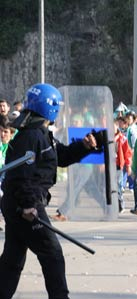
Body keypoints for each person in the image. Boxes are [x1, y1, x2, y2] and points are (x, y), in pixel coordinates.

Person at [0, 83, 99, 299]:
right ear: (50, 107)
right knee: (52, 254)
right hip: (24, 205)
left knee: (12, 261)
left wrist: (83, 146)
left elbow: (59, 156)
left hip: (18, 204)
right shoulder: (32, 135)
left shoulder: (40, 132)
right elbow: (21, 174)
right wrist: (27, 205)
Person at [114, 118, 132, 213]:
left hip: (118, 166)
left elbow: (127, 153)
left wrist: (128, 165)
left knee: (118, 185)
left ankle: (120, 204)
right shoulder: (106, 137)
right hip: (108, 165)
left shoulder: (122, 138)